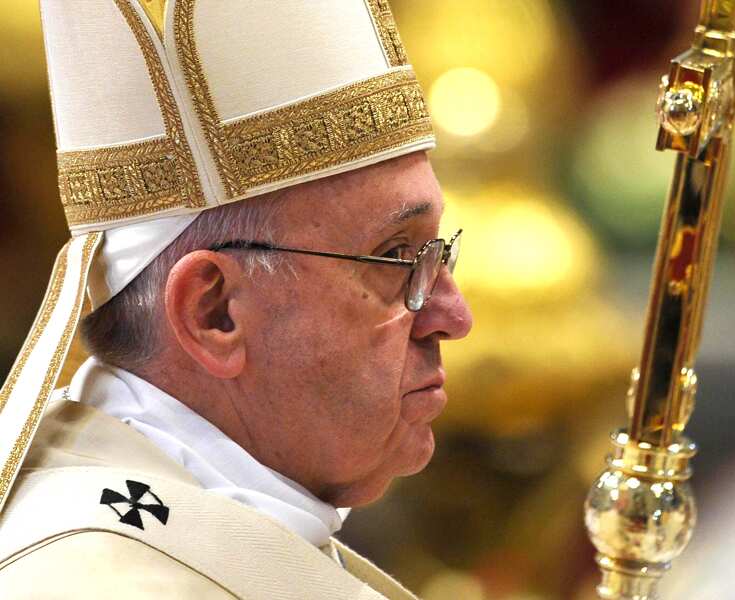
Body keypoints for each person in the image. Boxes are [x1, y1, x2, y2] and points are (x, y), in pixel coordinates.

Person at [0, 1, 471, 598]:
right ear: (214, 313)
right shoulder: (95, 580)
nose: (454, 317)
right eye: (399, 257)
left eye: (439, 252)